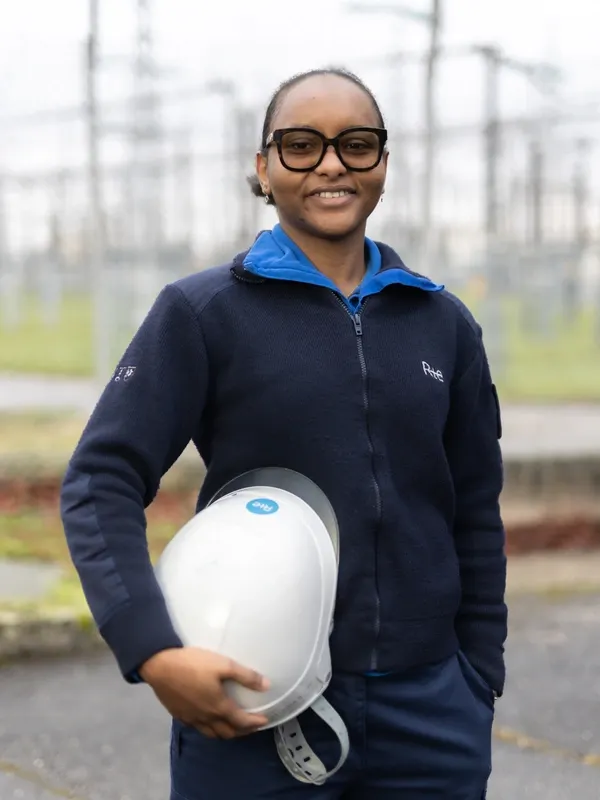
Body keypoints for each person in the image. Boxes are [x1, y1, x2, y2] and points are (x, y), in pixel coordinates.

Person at [61, 66, 507, 799]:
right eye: (301, 145)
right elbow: (98, 480)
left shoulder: (443, 324)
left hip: (433, 715)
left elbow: (474, 511)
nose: (331, 163)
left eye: (356, 144)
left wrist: (477, 676)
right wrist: (154, 651)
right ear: (264, 169)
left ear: (383, 166)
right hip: (252, 704)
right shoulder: (203, 313)